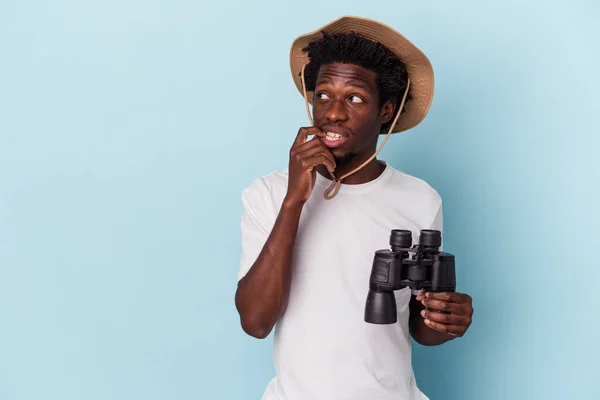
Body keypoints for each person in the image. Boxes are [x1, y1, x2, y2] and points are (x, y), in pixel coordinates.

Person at [234, 16, 474, 400]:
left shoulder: (419, 199)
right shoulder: (267, 192)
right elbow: (255, 321)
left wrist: (447, 319)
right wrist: (295, 198)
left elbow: (418, 325)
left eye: (356, 98)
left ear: (385, 111)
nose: (333, 113)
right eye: (323, 95)